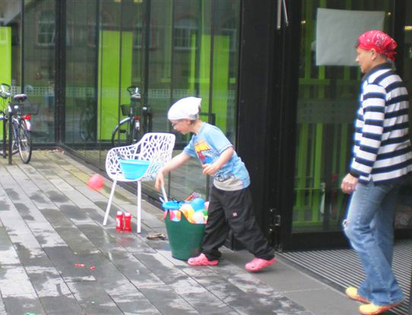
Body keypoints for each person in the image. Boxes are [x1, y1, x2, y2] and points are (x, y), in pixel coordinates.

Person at [155, 96, 276, 272]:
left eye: (175, 124)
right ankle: (209, 254)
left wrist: (215, 165)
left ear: (187, 121)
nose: (174, 127)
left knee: (240, 223)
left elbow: (228, 150)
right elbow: (183, 156)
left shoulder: (210, 132)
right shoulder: (196, 138)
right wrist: (162, 170)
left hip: (234, 183)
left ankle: (265, 254)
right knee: (214, 220)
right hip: (220, 184)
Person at [341, 30, 412, 315]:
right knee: (379, 230)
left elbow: (372, 135)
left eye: (360, 50)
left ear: (373, 53)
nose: (357, 56)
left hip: (376, 174)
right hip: (397, 171)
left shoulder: (374, 85)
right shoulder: (395, 81)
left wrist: (355, 173)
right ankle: (372, 288)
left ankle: (387, 292)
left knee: (354, 226)